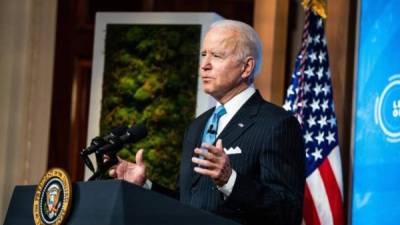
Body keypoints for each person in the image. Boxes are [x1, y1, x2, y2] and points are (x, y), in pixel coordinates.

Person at [109, 19, 305, 225]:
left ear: (246, 67)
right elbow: (188, 204)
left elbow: (288, 211)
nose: (204, 65)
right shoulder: (197, 126)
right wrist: (145, 186)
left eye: (217, 56)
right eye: (204, 54)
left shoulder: (277, 124)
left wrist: (230, 180)